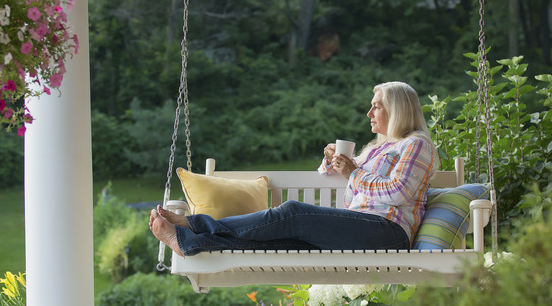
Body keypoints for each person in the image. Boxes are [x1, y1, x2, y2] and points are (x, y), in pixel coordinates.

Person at [149, 81, 438, 256]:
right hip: (359, 228)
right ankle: (188, 243)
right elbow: (336, 175)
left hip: (386, 233)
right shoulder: (378, 147)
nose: (369, 113)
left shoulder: (415, 144)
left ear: (397, 109)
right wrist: (333, 161)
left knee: (292, 212)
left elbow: (399, 192)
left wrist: (353, 172)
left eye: (376, 106)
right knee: (282, 242)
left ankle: (194, 224)